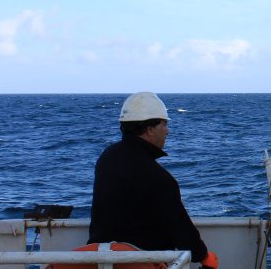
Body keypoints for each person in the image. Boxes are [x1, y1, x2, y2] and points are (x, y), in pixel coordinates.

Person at [88, 92, 218, 269]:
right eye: (164, 124)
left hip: (101, 260)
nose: (167, 131)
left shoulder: (107, 158)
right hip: (141, 263)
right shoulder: (156, 176)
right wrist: (203, 255)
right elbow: (180, 229)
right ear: (150, 128)